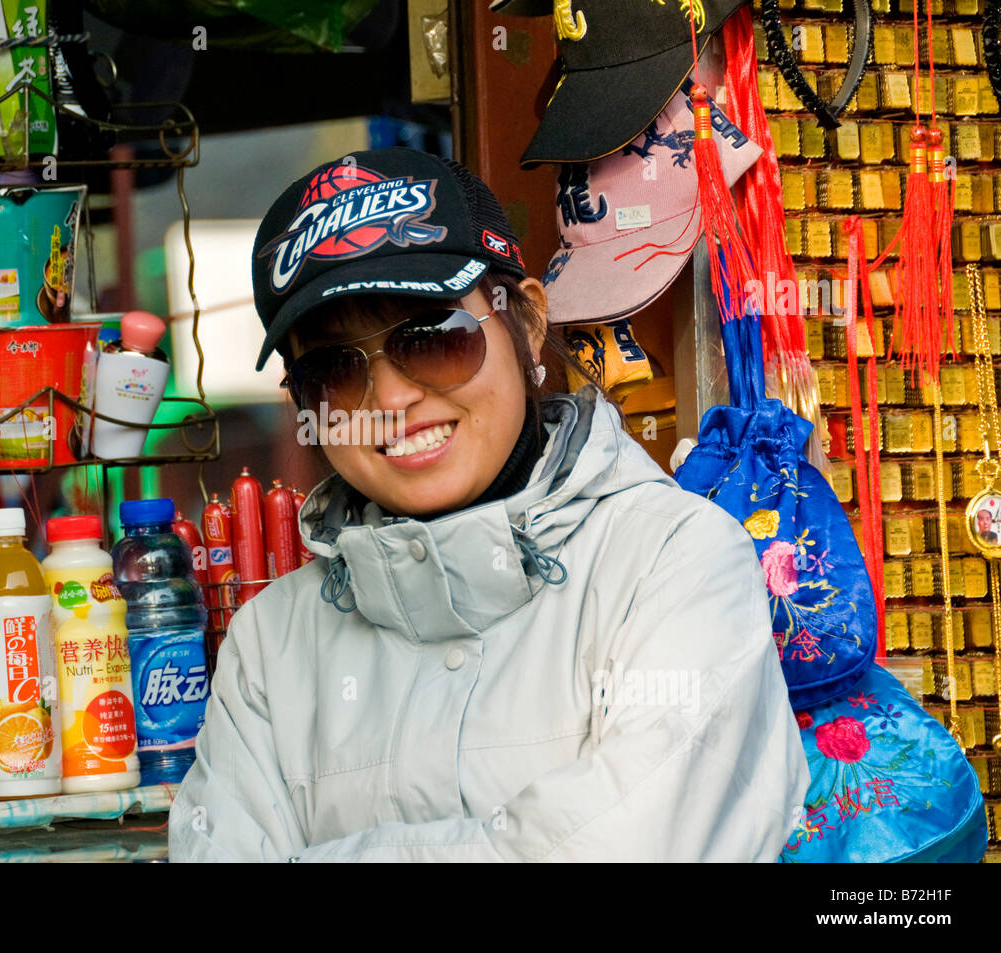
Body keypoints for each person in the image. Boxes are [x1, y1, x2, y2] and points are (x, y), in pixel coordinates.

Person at [168, 148, 808, 862]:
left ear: (528, 322)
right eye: (333, 372)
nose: (389, 401)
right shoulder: (270, 645)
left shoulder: (674, 561)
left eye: (433, 339)